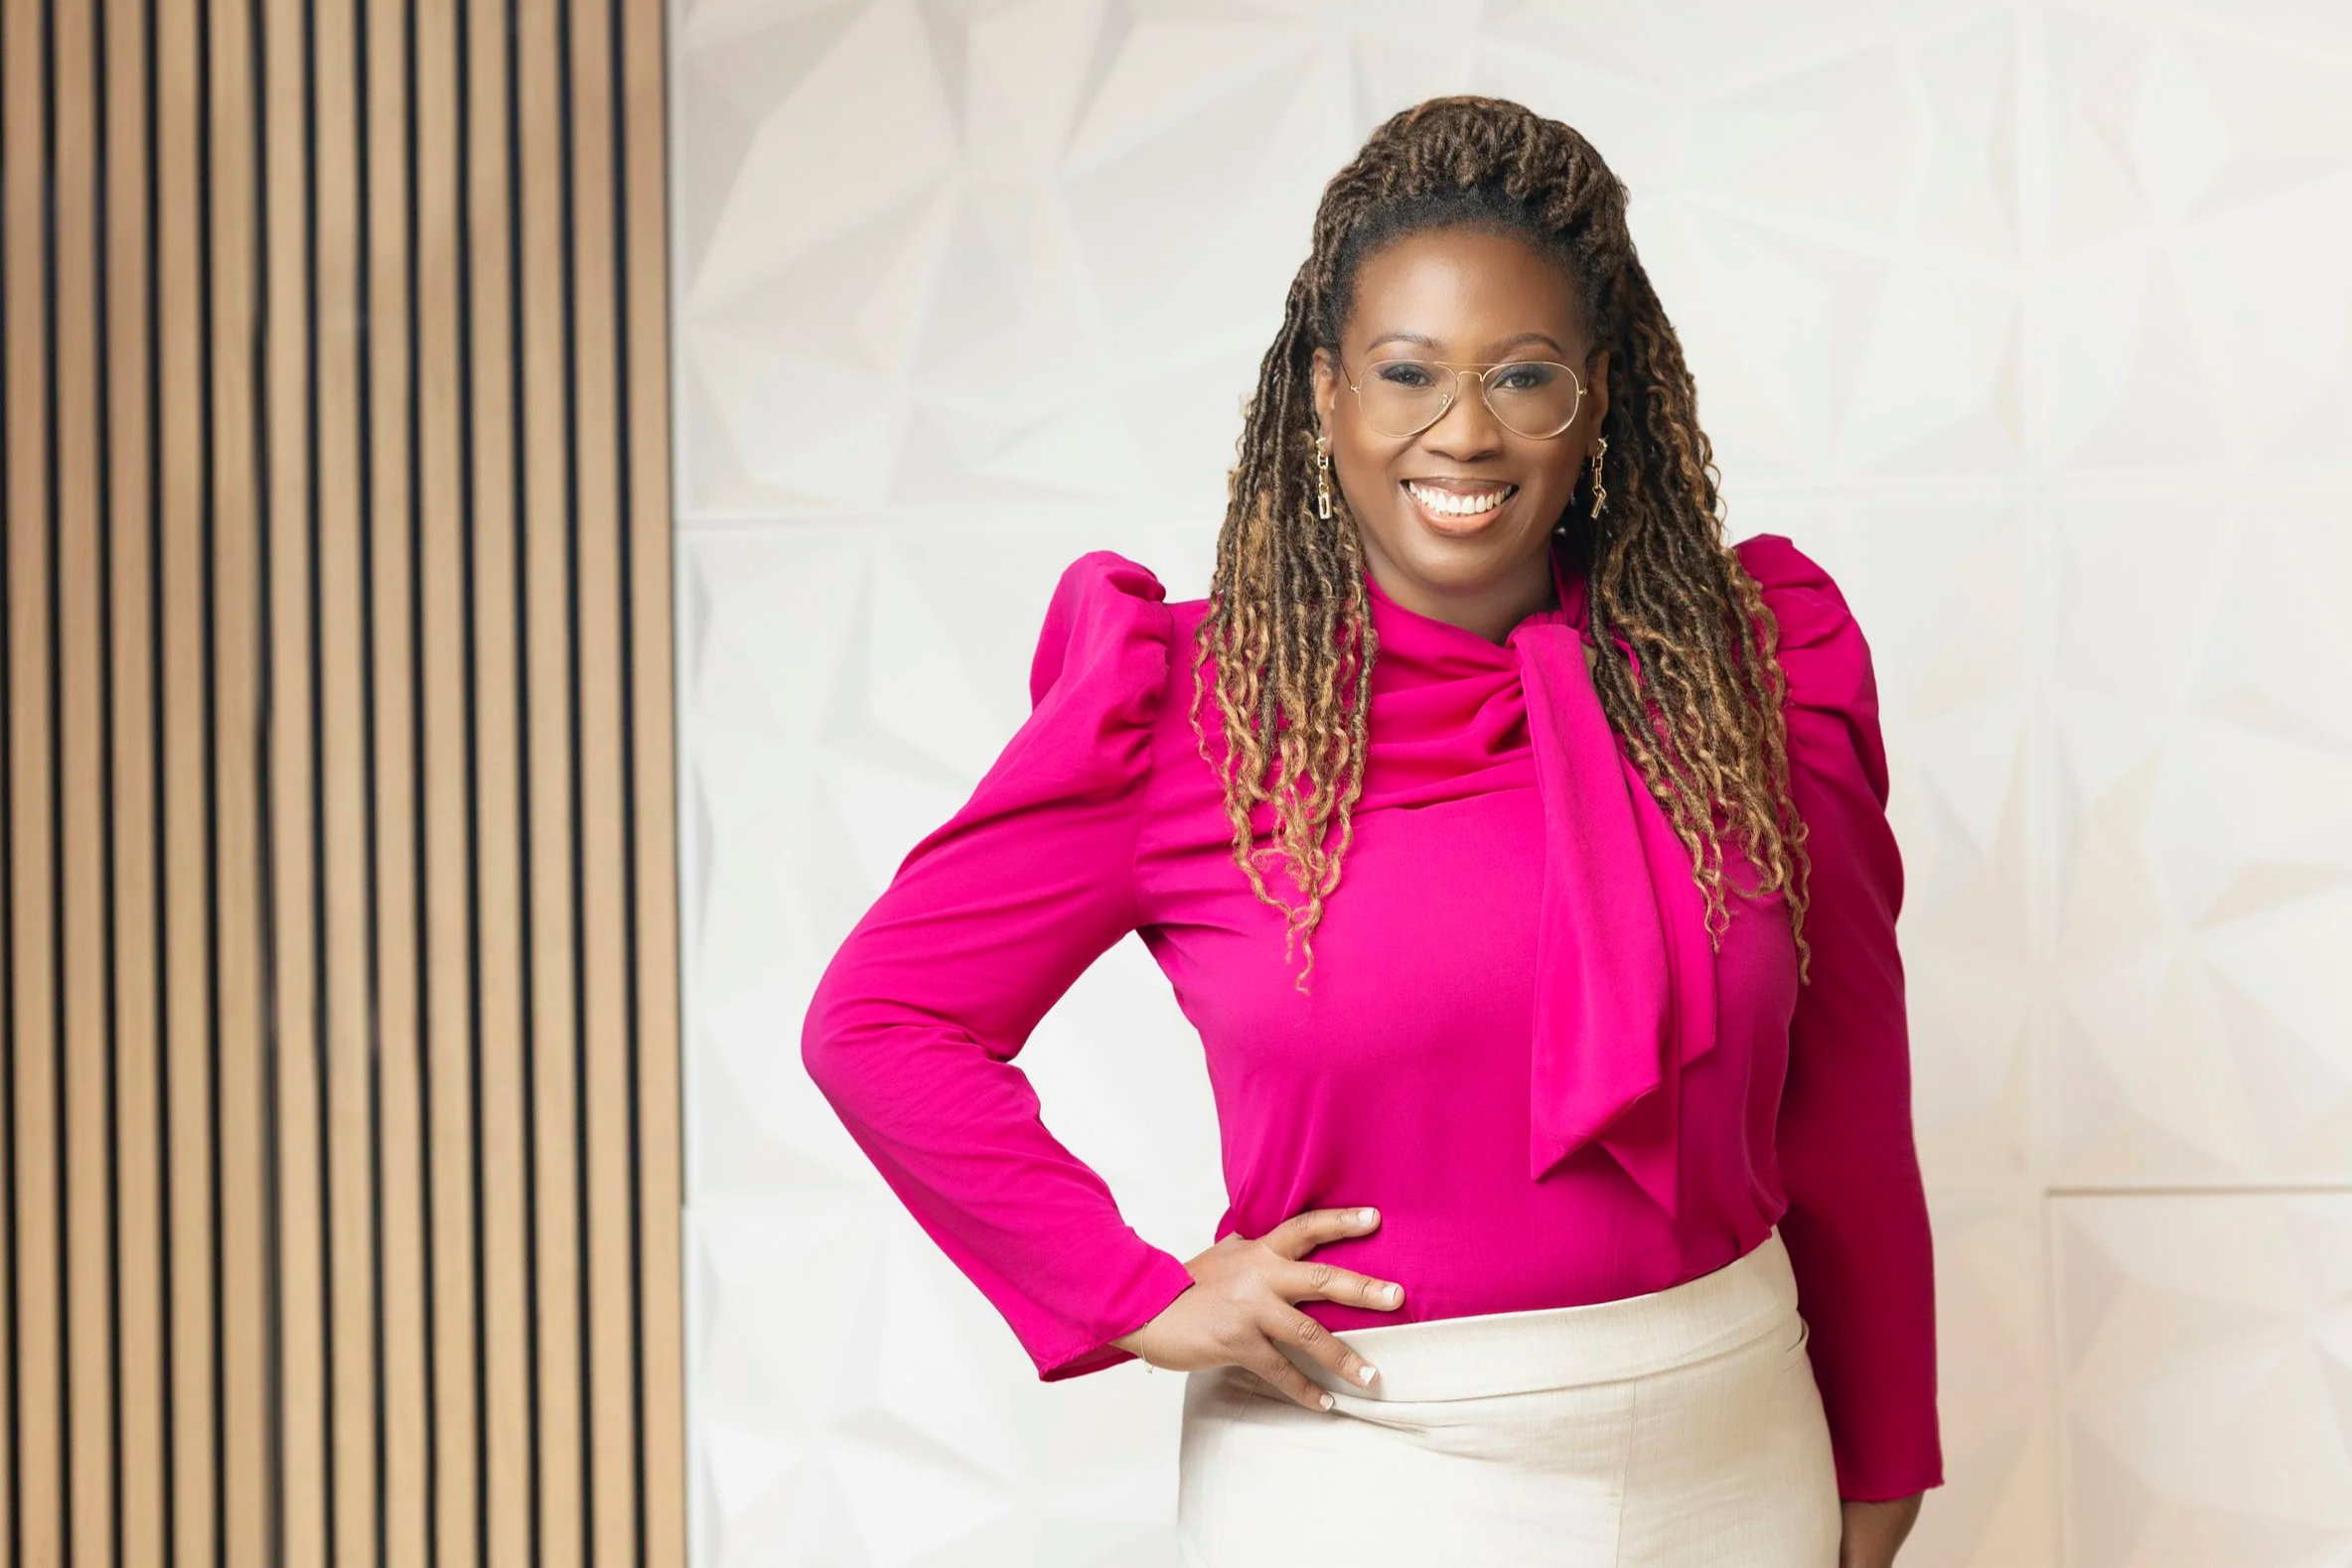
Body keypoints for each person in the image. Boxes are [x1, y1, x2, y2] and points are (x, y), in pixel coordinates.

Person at [801, 94, 1942, 1567]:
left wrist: (1881, 1463)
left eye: (1523, 375)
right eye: (1408, 372)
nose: (1463, 431)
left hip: (1734, 1454)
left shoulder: (1750, 675)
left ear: (1600, 394)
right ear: (1326, 391)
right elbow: (882, 1021)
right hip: (1368, 1474)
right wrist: (1135, 1293)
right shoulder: (1185, 708)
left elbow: (1848, 1102)